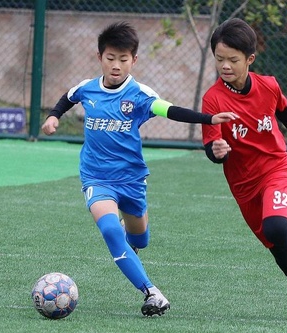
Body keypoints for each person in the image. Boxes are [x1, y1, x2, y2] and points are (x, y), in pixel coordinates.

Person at [42, 21, 238, 317]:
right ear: (100, 58)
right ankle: (152, 292)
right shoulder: (87, 89)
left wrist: (209, 119)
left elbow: (169, 110)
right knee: (109, 229)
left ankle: (131, 239)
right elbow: (67, 98)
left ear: (134, 60)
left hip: (132, 180)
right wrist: (53, 117)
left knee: (140, 238)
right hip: (96, 177)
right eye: (110, 58)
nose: (116, 65)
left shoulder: (140, 94)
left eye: (123, 59)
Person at [201, 18, 287, 322]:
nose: (225, 66)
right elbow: (212, 145)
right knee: (279, 247)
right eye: (220, 59)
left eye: (233, 60)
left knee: (277, 228)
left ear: (250, 59)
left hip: (276, 168)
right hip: (243, 186)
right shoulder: (213, 99)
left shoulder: (268, 85)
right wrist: (216, 152)